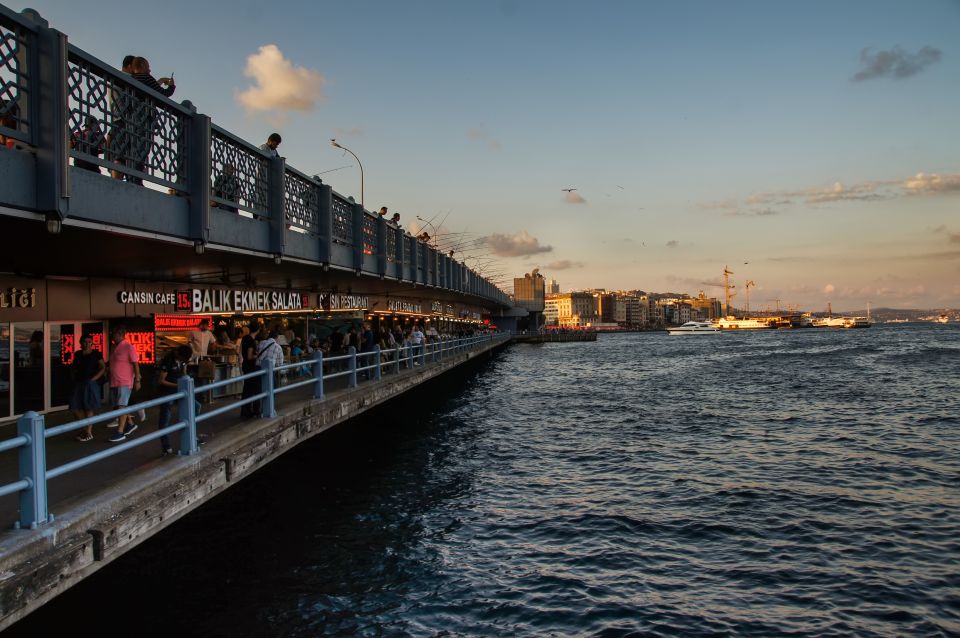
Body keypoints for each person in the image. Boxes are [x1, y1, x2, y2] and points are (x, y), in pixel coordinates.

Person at [129, 56, 175, 184]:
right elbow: (164, 94)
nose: (150, 69)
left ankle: (132, 176)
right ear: (143, 65)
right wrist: (171, 85)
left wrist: (159, 80)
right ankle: (136, 178)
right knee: (143, 148)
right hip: (145, 116)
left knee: (134, 146)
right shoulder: (146, 78)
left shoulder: (132, 78)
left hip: (133, 115)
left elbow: (150, 88)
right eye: (148, 66)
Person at [154, 345, 194, 455]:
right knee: (165, 417)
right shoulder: (168, 360)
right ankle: (166, 446)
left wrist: (185, 380)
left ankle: (191, 435)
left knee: (195, 406)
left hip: (180, 389)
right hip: (167, 391)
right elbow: (161, 381)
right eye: (182, 359)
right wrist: (177, 385)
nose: (183, 361)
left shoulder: (183, 360)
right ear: (178, 355)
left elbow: (184, 373)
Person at [108, 325, 141, 442]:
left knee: (122, 406)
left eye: (113, 333)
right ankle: (130, 424)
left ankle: (120, 432)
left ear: (119, 334)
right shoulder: (114, 347)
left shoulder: (128, 347)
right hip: (114, 381)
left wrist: (137, 379)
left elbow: (135, 363)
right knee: (118, 406)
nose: (112, 335)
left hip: (124, 381)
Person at [71, 334, 106, 442]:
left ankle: (88, 432)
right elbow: (74, 367)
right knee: (74, 408)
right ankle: (85, 429)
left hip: (90, 383)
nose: (87, 344)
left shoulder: (96, 354)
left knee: (88, 407)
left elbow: (103, 367)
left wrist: (94, 379)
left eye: (89, 341)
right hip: (79, 382)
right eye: (85, 341)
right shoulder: (77, 354)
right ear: (81, 343)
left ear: (92, 343)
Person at [108, 55, 136, 180]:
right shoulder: (128, 78)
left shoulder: (115, 78)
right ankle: (117, 182)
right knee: (122, 156)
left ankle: (118, 181)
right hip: (124, 121)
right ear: (130, 66)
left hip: (117, 120)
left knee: (120, 155)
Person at [240, 320, 261, 418]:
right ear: (258, 330)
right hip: (251, 367)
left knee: (246, 389)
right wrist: (257, 356)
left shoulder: (244, 338)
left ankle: (245, 410)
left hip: (245, 365)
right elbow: (249, 356)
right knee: (252, 389)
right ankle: (250, 411)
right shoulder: (251, 341)